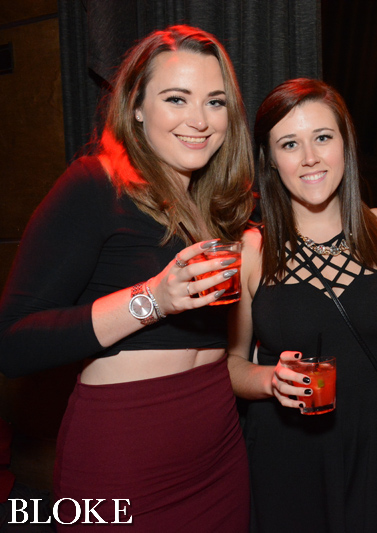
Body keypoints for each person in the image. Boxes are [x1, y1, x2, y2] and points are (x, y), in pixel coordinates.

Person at [0, 25, 253, 530]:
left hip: (220, 447)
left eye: (215, 102)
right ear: (136, 106)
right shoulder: (95, 184)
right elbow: (14, 344)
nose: (200, 120)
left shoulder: (216, 209)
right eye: (176, 99)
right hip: (127, 451)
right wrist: (153, 299)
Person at [227, 78, 377, 533]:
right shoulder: (252, 251)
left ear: (345, 145)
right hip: (289, 457)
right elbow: (230, 364)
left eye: (322, 137)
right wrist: (269, 380)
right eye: (289, 144)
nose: (310, 157)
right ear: (270, 159)